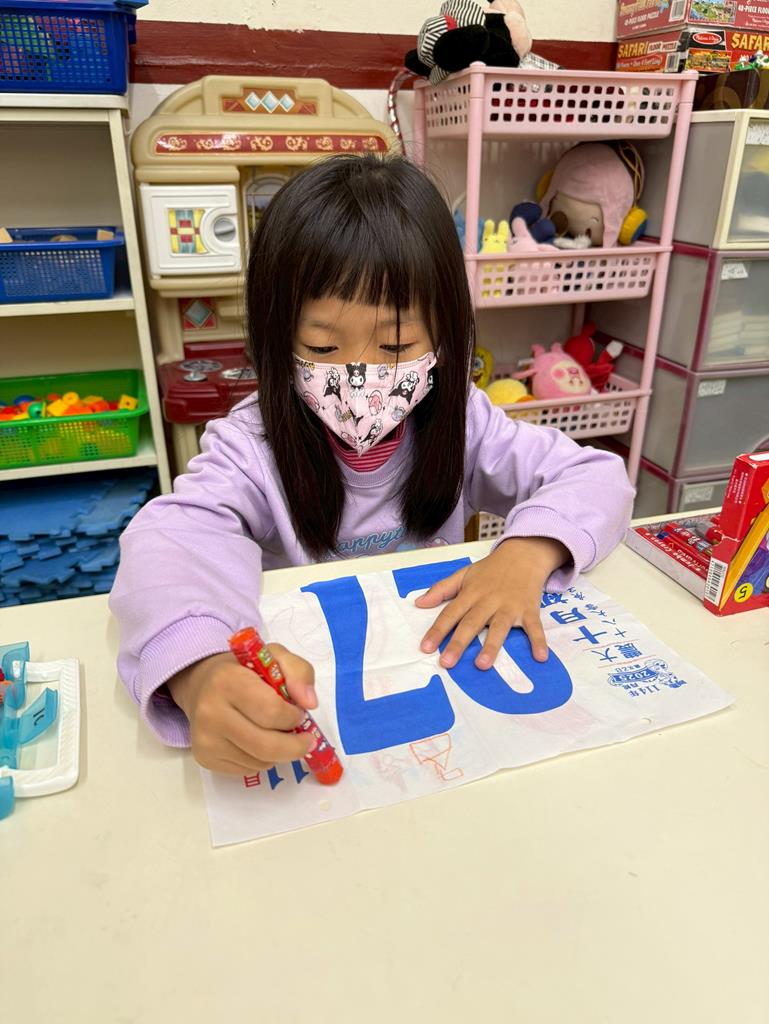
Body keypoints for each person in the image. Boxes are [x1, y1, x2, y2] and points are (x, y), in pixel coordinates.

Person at [110, 153, 634, 777]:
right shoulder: (252, 443)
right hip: (316, 700)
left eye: (396, 344)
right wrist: (201, 669)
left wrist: (527, 551)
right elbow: (172, 538)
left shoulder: (462, 418)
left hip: (436, 682)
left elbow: (595, 475)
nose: (360, 374)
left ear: (445, 334)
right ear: (278, 337)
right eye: (322, 345)